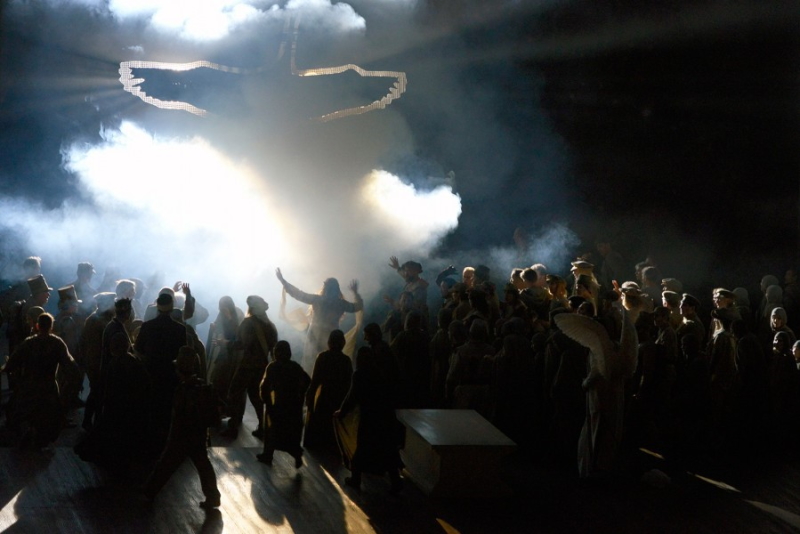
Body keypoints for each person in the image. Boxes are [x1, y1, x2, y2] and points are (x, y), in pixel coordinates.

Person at [144, 347, 221, 510]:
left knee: (166, 464)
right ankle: (213, 496)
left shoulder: (183, 389)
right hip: (198, 435)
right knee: (203, 464)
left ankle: (149, 491)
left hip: (181, 436)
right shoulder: (201, 387)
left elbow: (178, 418)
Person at [1, 313, 78, 448]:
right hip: (49, 386)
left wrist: (7, 368)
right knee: (49, 416)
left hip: (29, 386)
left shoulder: (29, 342)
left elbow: (13, 362)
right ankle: (41, 440)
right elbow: (69, 364)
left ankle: (27, 432)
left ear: (37, 326)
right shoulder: (57, 343)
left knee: (24, 412)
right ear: (51, 326)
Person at [335, 346, 403, 493]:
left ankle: (355, 478)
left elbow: (352, 397)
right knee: (388, 450)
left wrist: (342, 412)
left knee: (362, 447)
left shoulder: (359, 375)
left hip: (369, 417)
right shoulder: (380, 372)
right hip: (385, 416)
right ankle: (396, 481)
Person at [276, 268, 363, 374]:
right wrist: (355, 293)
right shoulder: (340, 303)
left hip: (317, 335)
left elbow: (299, 294)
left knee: (312, 363)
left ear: (325, 287)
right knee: (326, 364)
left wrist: (283, 281)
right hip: (330, 336)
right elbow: (357, 307)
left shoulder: (319, 300)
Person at [134, 293, 188, 448]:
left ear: (157, 307)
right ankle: (166, 440)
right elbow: (182, 353)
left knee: (151, 405)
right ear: (172, 308)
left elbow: (138, 349)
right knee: (167, 406)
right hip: (171, 373)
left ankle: (149, 439)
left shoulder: (147, 326)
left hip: (150, 372)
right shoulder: (180, 329)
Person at [222, 295, 278, 439]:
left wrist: (226, 343)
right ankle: (263, 426)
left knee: (234, 393)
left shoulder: (248, 323)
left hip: (247, 365)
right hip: (262, 365)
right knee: (256, 396)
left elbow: (241, 344)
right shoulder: (270, 326)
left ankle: (233, 427)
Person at [257, 340, 310, 468]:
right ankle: (296, 454)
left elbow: (264, 387)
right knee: (290, 434)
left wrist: (266, 401)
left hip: (277, 405)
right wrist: (301, 396)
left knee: (272, 431)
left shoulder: (273, 367)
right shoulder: (295, 367)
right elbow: (308, 381)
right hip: (293, 406)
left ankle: (268, 454)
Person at [304, 330, 353, 453]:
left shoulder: (322, 357)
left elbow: (315, 381)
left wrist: (310, 397)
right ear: (343, 342)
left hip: (324, 398)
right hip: (339, 398)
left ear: (329, 342)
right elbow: (349, 384)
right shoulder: (346, 360)